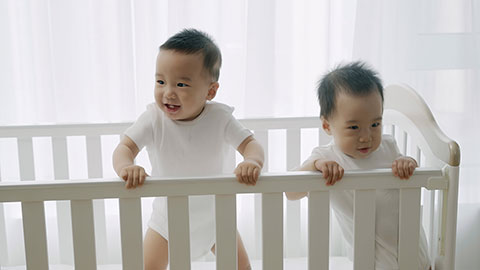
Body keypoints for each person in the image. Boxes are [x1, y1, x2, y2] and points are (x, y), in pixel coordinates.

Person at [113, 28, 263, 270]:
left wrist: (252, 161)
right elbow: (124, 147)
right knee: (147, 267)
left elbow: (251, 144)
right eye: (160, 81)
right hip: (167, 222)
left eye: (181, 84)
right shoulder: (153, 119)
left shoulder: (220, 119)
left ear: (210, 91)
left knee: (241, 267)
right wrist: (126, 166)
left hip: (216, 218)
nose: (168, 92)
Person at [285, 61, 430, 270]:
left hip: (417, 257)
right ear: (327, 126)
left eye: (375, 124)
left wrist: (408, 162)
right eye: (354, 127)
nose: (366, 137)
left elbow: (408, 169)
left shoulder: (388, 147)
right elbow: (290, 191)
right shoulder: (327, 158)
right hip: (373, 262)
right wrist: (315, 165)